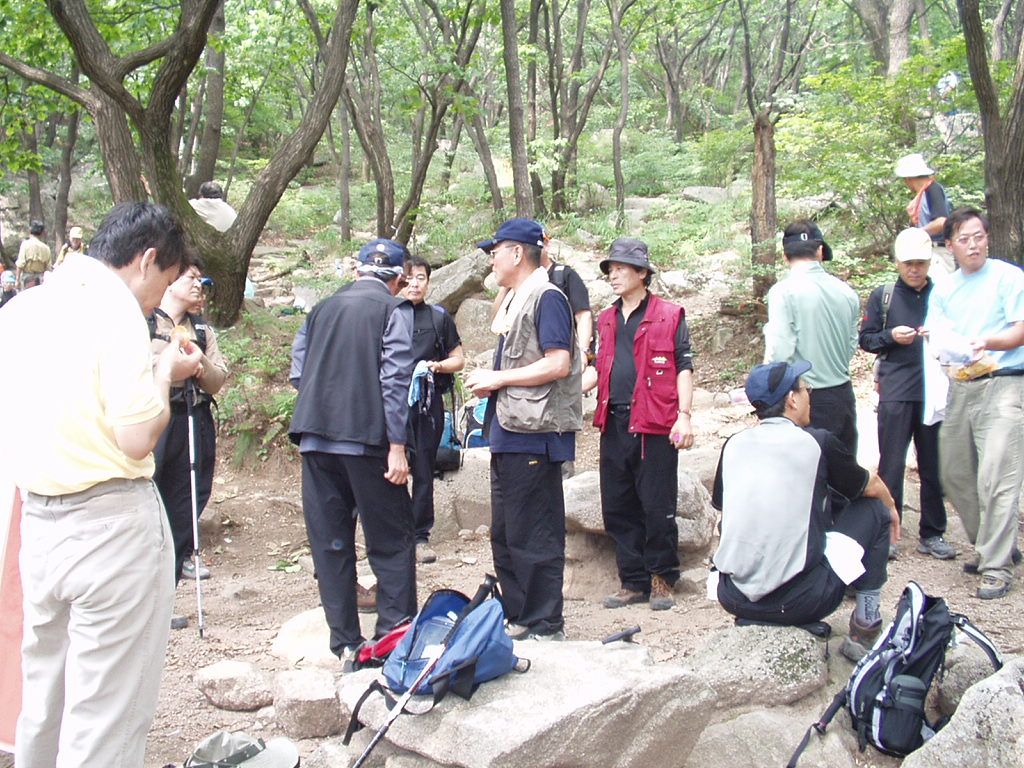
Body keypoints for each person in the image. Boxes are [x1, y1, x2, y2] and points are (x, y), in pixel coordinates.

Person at [0, 201, 203, 767]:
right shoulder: (115, 312)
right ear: (147, 259)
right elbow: (136, 437)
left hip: (39, 523)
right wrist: (164, 374)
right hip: (110, 526)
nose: (158, 299)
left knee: (46, 694)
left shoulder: (22, 307)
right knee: (106, 711)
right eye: (165, 280)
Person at [712, 362, 899, 662]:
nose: (809, 395)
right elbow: (869, 486)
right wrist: (891, 507)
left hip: (733, 596)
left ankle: (758, 612)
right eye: (805, 389)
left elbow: (725, 509)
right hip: (803, 601)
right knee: (875, 509)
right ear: (792, 399)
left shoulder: (733, 445)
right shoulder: (817, 442)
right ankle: (866, 628)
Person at [289, 238, 417, 660]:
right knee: (391, 540)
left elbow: (299, 372)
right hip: (368, 441)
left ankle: (344, 641)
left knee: (331, 543)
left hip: (315, 437)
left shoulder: (321, 309)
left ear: (358, 270)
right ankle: (393, 640)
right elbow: (394, 381)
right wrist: (397, 445)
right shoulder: (394, 310)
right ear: (397, 279)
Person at [465, 218, 582, 641]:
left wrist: (498, 378)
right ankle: (520, 616)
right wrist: (493, 383)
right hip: (511, 430)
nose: (491, 260)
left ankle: (545, 622)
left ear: (517, 253)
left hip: (536, 434)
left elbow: (559, 363)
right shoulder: (518, 298)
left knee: (535, 531)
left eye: (495, 251)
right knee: (507, 532)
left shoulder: (547, 298)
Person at [924, 207, 1024, 600]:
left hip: (1005, 382)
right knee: (954, 473)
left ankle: (996, 566)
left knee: (996, 476)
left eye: (978, 236)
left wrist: (986, 341)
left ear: (987, 238)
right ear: (950, 246)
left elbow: (1019, 330)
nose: (973, 245)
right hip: (961, 384)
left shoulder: (1009, 277)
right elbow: (938, 333)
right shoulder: (945, 288)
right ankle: (994, 543)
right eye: (964, 239)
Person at [593, 237, 694, 611]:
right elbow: (597, 369)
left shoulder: (670, 314)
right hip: (614, 421)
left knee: (657, 505)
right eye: (610, 269)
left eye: (620, 268)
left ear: (642, 273)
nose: (613, 275)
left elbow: (684, 366)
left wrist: (684, 416)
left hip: (655, 423)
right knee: (617, 504)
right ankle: (632, 580)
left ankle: (662, 577)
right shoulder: (606, 319)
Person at [859, 228, 954, 561]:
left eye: (920, 263)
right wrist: (890, 337)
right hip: (896, 390)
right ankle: (888, 531)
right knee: (892, 464)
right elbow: (866, 339)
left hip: (934, 392)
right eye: (908, 263)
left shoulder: (942, 295)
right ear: (898, 263)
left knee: (933, 466)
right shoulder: (884, 296)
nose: (914, 270)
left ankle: (933, 533)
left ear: (929, 263)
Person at [151, 261, 229, 590]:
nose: (199, 285)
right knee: (152, 494)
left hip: (194, 417)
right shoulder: (145, 322)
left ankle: (174, 570)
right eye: (191, 277)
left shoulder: (201, 330)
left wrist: (198, 361)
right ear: (170, 280)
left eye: (201, 279)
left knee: (191, 495)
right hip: (155, 420)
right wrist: (168, 367)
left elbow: (217, 379)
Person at [763, 220, 860, 453]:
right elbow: (850, 346)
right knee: (843, 468)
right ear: (820, 252)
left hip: (804, 401)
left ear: (785, 257)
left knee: (808, 470)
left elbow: (780, 351)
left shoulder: (783, 292)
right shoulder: (847, 292)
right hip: (842, 395)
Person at [403, 255, 465, 564]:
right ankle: (393, 533)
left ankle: (419, 536)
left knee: (424, 469)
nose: (414, 284)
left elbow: (458, 359)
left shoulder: (438, 318)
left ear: (428, 282)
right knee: (389, 467)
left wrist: (437, 366)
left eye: (421, 278)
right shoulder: (386, 316)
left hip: (428, 404)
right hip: (391, 404)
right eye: (409, 277)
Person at [492, 227, 595, 391]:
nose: (491, 262)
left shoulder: (559, 283)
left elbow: (583, 316)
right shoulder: (515, 289)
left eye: (494, 254)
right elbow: (497, 320)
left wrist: (583, 352)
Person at [895, 153, 954, 273]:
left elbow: (941, 221)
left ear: (908, 179)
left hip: (938, 254)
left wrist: (916, 235)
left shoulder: (933, 189)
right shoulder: (925, 193)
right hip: (928, 252)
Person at [16, 219, 52, 290]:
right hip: (40, 279)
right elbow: (48, 268)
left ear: (30, 231)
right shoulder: (46, 248)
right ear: (42, 234)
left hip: (27, 278)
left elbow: (20, 264)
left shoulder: (25, 245)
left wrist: (17, 280)